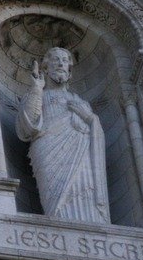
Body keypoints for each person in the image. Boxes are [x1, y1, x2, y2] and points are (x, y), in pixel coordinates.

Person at [15, 47, 110, 223]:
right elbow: (28, 126)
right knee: (55, 202)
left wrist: (90, 118)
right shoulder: (37, 94)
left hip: (82, 156)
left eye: (65, 61)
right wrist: (37, 88)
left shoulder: (81, 102)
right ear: (45, 67)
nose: (60, 64)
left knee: (84, 192)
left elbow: (95, 133)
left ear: (70, 69)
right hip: (49, 152)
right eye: (55, 60)